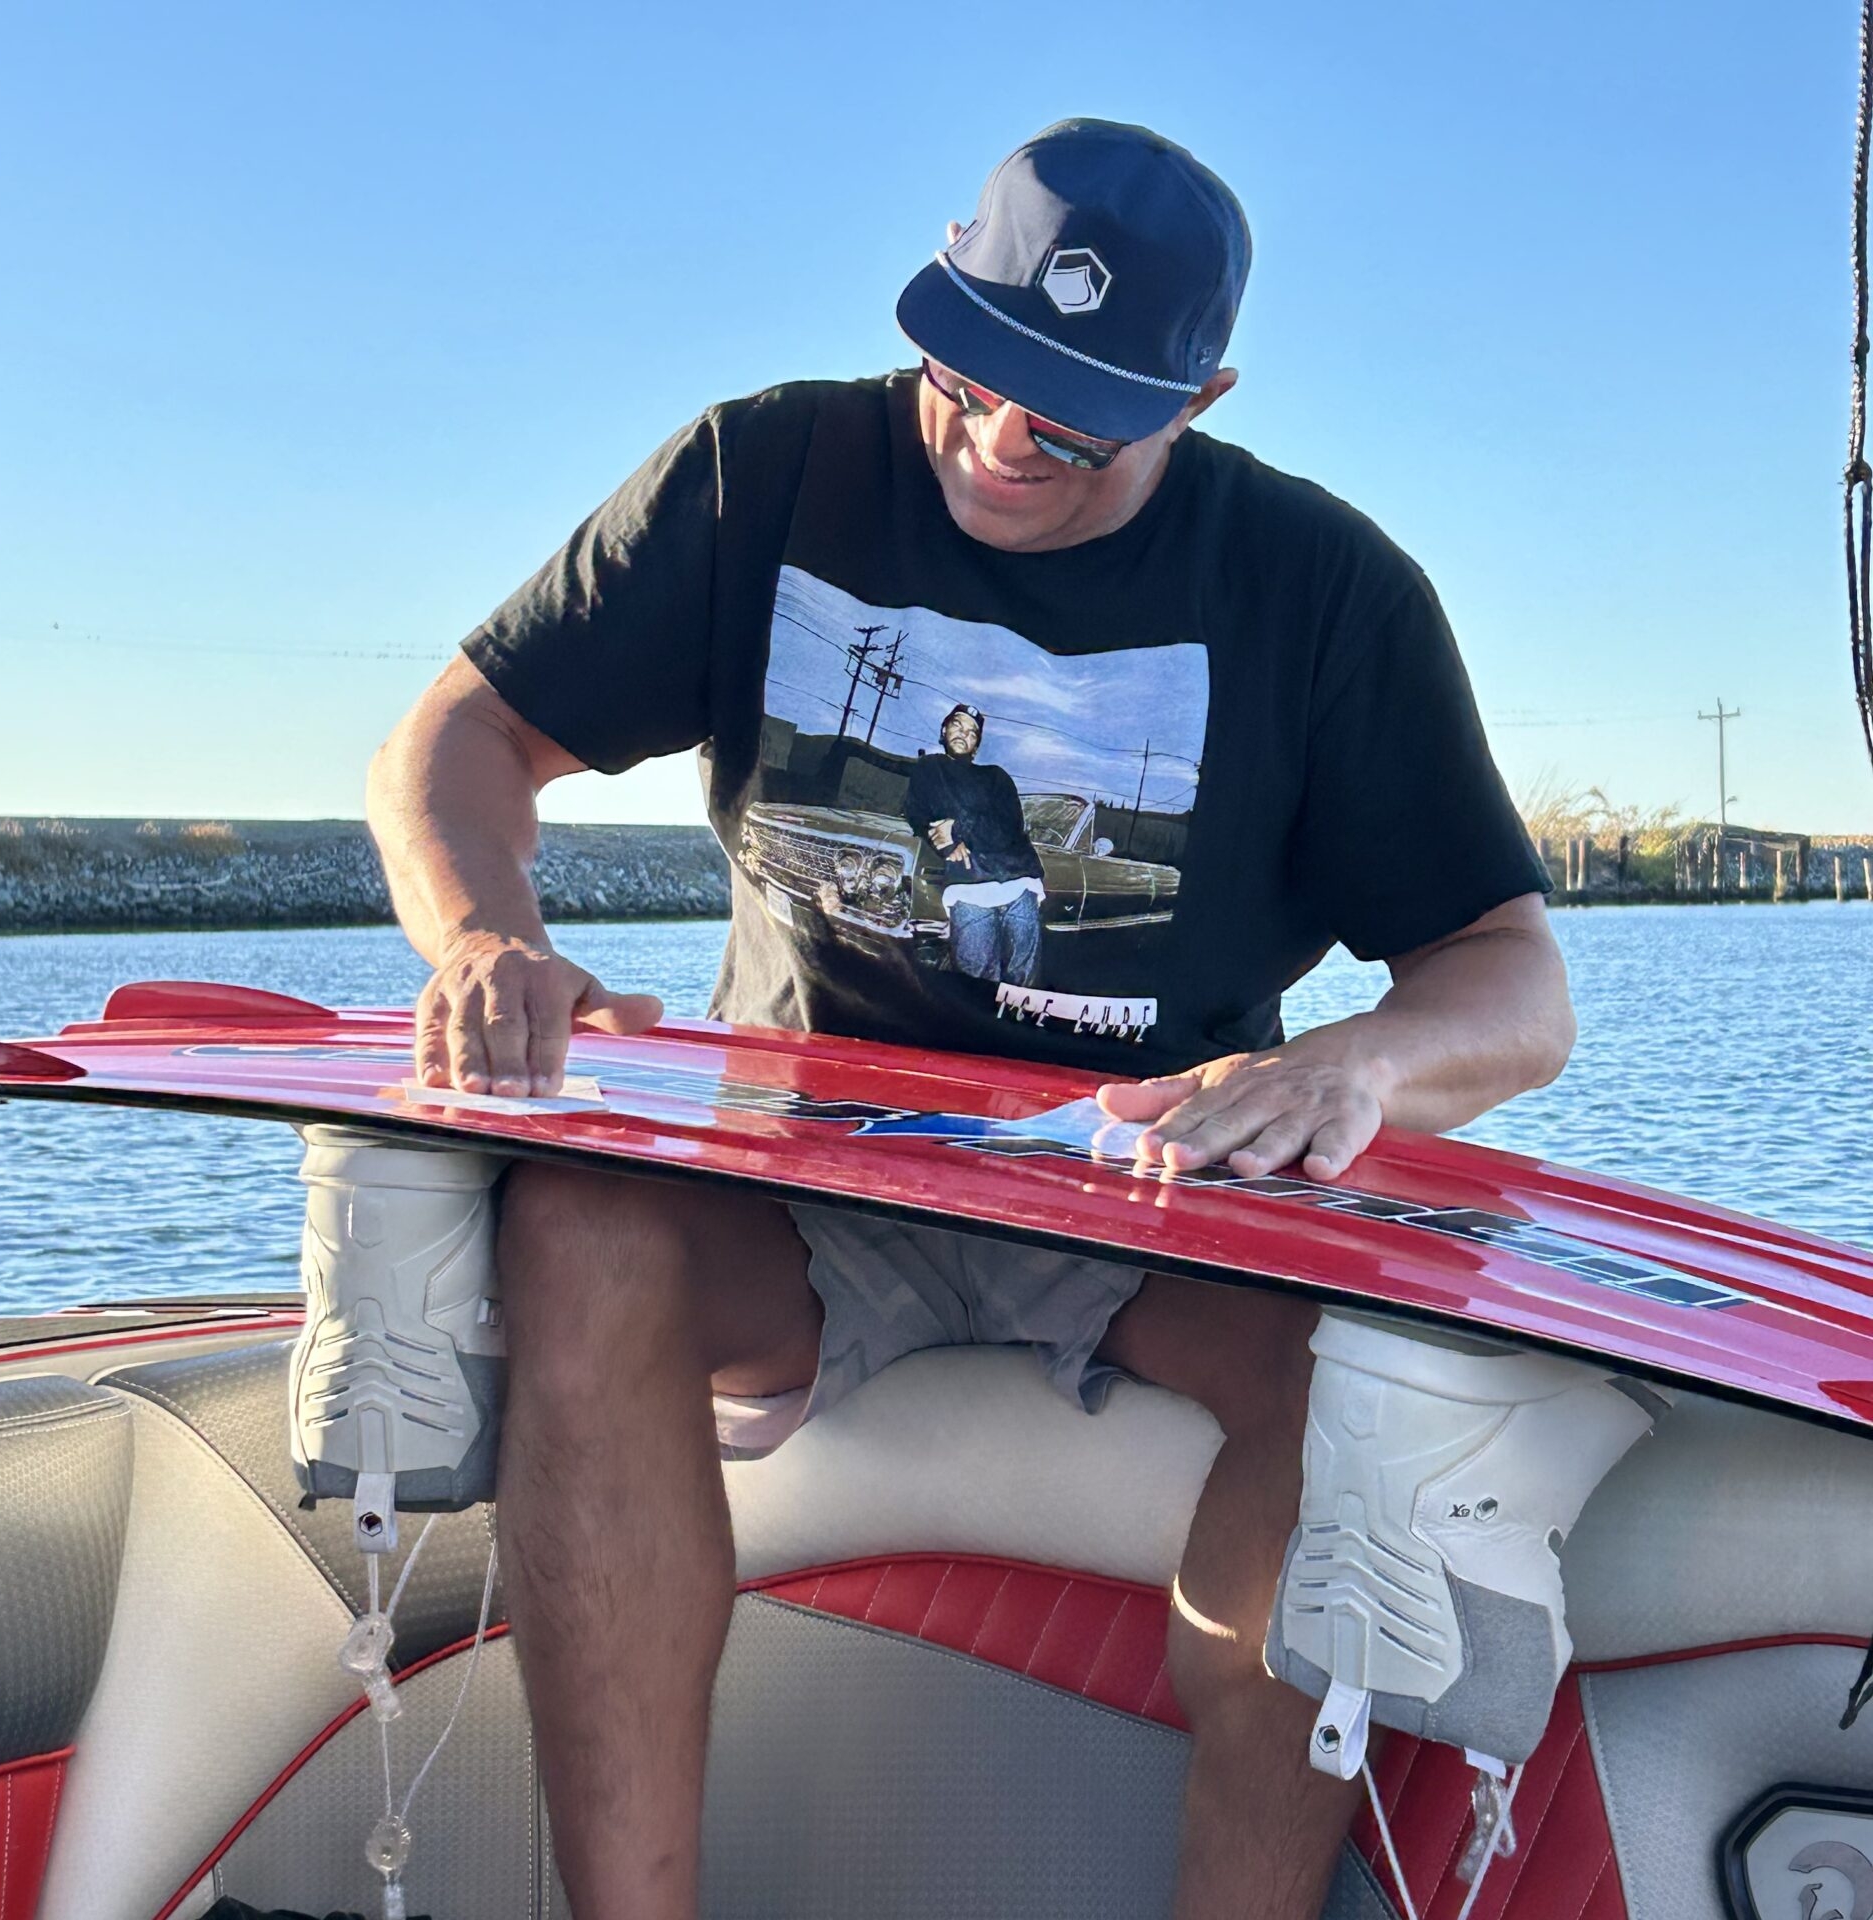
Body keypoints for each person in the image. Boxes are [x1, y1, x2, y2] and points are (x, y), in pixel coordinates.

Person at [368, 119, 1572, 1920]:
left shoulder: (1327, 595)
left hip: (1145, 1195)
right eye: (973, 368)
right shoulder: (759, 474)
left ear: (1203, 393)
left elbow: (1513, 981)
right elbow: (456, 740)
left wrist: (1355, 1061)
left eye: (1077, 413)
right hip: (791, 1183)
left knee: (1365, 1391)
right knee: (580, 1222)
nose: (1006, 439)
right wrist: (484, 937)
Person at [902, 701, 1046, 984]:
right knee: (976, 980)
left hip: (1018, 882)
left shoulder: (996, 777)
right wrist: (945, 845)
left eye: (972, 733)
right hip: (968, 886)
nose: (963, 734)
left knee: (1022, 984)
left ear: (976, 745)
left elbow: (1009, 828)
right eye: (957, 725)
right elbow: (918, 814)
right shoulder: (928, 769)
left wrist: (957, 826)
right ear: (944, 730)